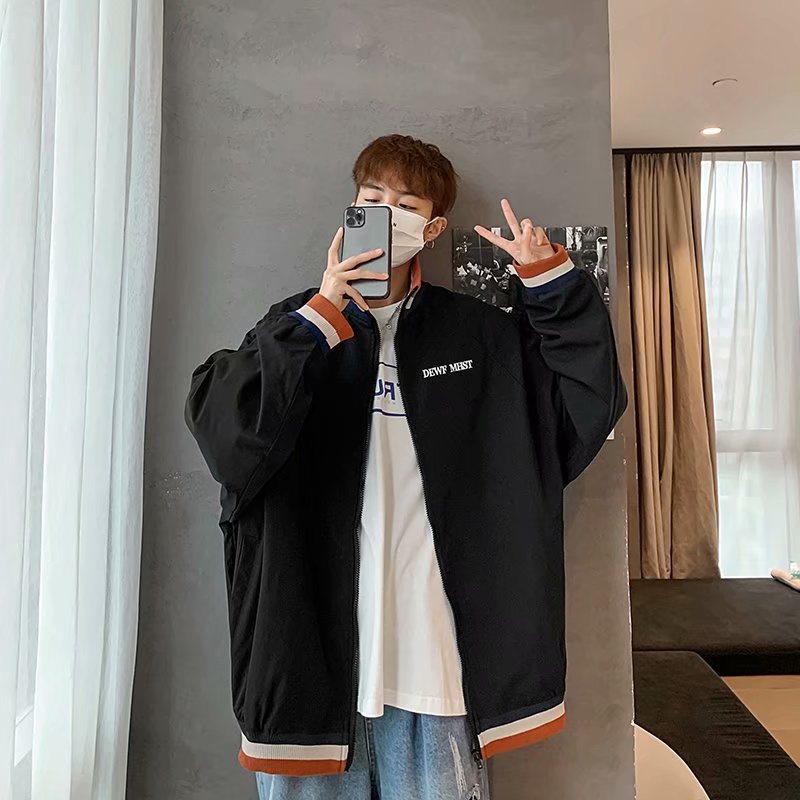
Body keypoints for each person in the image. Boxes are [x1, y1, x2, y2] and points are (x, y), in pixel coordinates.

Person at [184, 134, 627, 800]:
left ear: (433, 228)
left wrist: (553, 286)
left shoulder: (478, 335)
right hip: (312, 668)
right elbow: (229, 439)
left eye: (407, 204)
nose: (386, 214)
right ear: (351, 207)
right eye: (372, 198)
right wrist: (320, 315)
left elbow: (585, 408)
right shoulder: (296, 327)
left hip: (439, 672)